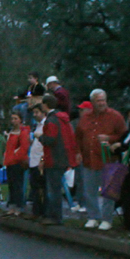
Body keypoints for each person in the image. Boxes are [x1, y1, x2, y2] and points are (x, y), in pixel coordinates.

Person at [75, 89, 127, 230]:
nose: (102, 103)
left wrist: (109, 139)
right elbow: (78, 136)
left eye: (103, 100)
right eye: (98, 100)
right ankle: (93, 217)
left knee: (108, 191)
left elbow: (124, 136)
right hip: (89, 160)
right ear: (92, 102)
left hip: (108, 160)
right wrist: (78, 152)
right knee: (89, 190)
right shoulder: (85, 118)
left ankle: (107, 219)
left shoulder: (115, 116)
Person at [37, 94, 77, 225]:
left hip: (53, 158)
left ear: (45, 105)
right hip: (63, 157)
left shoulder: (51, 120)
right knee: (56, 188)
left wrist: (40, 136)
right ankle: (55, 216)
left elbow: (50, 139)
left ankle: (54, 217)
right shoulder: (62, 119)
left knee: (52, 190)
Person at [3, 111, 30, 217]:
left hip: (17, 162)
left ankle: (18, 206)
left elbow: (24, 148)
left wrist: (14, 156)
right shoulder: (12, 132)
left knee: (17, 185)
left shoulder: (22, 133)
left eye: (16, 119)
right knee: (12, 185)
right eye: (12, 119)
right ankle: (12, 206)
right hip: (10, 161)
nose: (13, 121)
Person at [26, 104, 46, 220]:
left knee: (40, 188)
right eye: (34, 113)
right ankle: (36, 210)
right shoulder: (36, 126)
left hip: (40, 161)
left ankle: (41, 211)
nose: (35, 115)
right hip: (33, 160)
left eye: (37, 112)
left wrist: (42, 159)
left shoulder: (45, 125)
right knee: (34, 188)